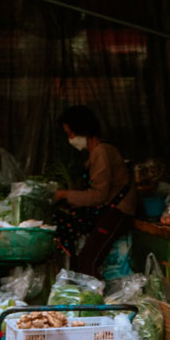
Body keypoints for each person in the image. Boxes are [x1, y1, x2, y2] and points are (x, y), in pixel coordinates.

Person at [54, 105, 136, 275]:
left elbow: (99, 195)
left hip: (118, 212)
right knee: (86, 259)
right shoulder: (96, 153)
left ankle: (93, 300)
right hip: (111, 211)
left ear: (83, 131)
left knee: (88, 261)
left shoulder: (101, 152)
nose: (70, 139)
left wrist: (64, 195)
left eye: (71, 133)